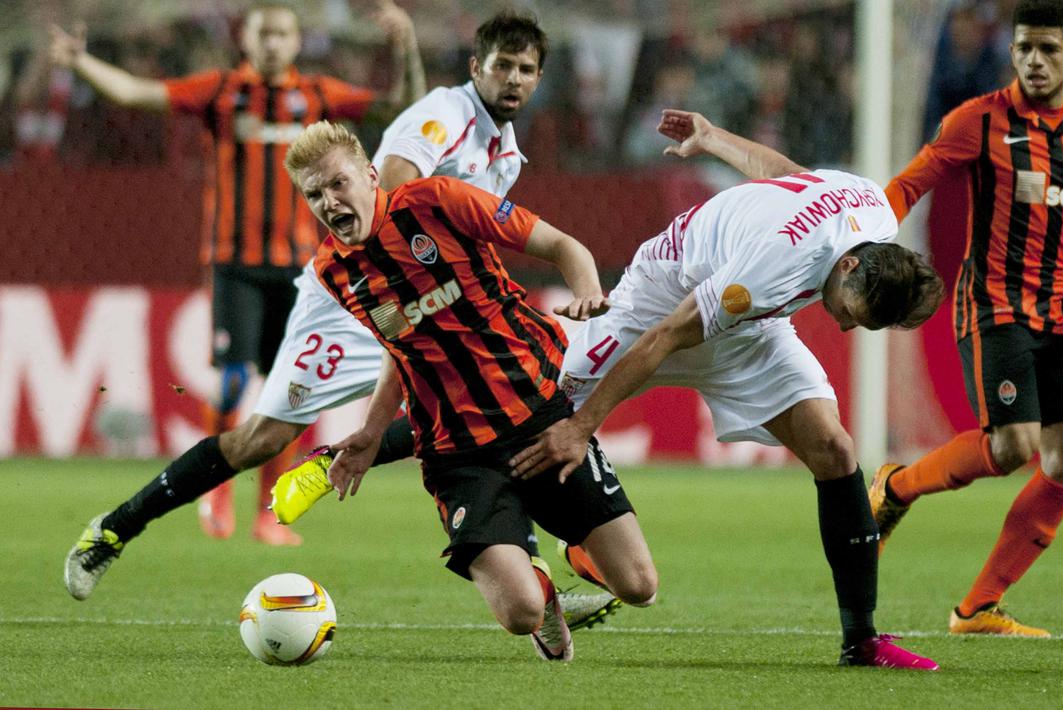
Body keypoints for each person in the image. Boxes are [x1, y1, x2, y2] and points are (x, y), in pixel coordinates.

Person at [508, 109, 945, 670]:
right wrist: (582, 426)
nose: (841, 325)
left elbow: (787, 175)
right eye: (847, 310)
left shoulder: (874, 209)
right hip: (659, 304)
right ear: (848, 264)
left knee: (834, 450)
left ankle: (862, 642)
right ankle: (530, 562)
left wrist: (714, 139)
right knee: (537, 414)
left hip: (752, 330)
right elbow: (665, 337)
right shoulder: (768, 271)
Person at [49, 1, 419, 543]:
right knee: (235, 380)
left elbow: (400, 105)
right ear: (247, 39)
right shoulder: (221, 91)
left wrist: (406, 44)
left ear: (296, 42)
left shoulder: (317, 95)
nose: (272, 43)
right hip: (234, 262)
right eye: (263, 33)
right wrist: (81, 64)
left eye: (282, 34)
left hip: (301, 272)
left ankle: (267, 511)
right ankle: (216, 488)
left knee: (292, 389)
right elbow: (135, 93)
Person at [289, 120, 658, 662]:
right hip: (458, 454)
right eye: (314, 194)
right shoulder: (332, 270)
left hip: (540, 418)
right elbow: (403, 347)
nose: (329, 202)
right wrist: (370, 430)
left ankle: (579, 553)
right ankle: (543, 596)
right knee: (520, 613)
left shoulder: (439, 202)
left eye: (338, 184)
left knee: (639, 586)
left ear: (371, 176)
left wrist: (586, 293)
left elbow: (561, 244)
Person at [871, 0, 1063, 637]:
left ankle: (977, 608)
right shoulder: (979, 121)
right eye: (1024, 47)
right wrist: (861, 235)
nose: (1033, 60)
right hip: (993, 306)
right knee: (1013, 446)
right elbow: (910, 183)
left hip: (1061, 316)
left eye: (1048, 50)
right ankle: (895, 488)